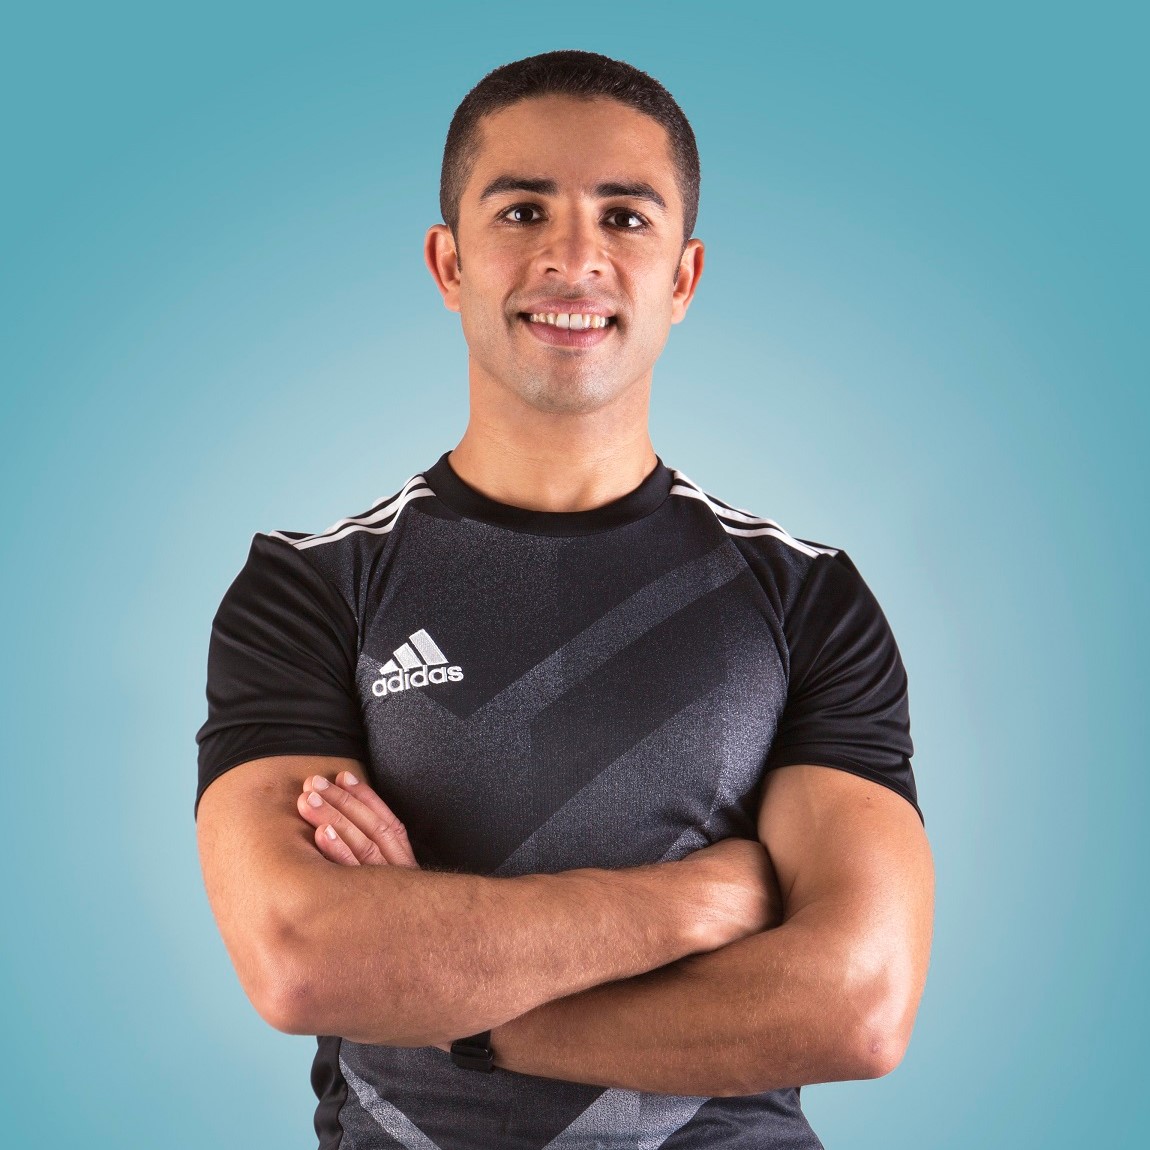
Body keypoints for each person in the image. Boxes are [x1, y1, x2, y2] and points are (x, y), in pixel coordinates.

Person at [195, 50, 934, 1150]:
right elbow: (305, 959)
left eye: (625, 218)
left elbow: (856, 1006)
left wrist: (458, 1007)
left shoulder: (807, 598)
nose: (574, 258)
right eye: (523, 210)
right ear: (449, 263)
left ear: (682, 278)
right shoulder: (310, 589)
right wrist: (698, 903)